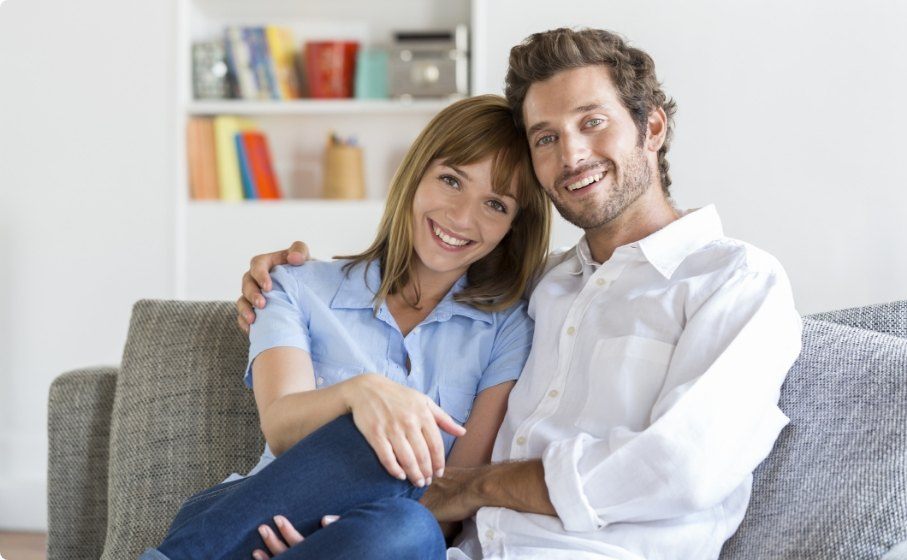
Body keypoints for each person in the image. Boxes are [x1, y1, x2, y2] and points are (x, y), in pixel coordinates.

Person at [238, 28, 803, 560]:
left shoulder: (736, 281)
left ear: (652, 128)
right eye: (547, 138)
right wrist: (277, 278)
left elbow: (679, 467)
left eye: (592, 122)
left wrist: (471, 488)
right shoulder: (543, 287)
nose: (572, 155)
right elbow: (435, 264)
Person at [139, 94, 552, 560]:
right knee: (378, 435)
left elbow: (455, 492)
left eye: (495, 204)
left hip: (373, 542)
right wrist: (362, 393)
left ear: (513, 226)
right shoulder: (293, 286)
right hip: (243, 521)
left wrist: (331, 540)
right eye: (451, 180)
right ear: (416, 174)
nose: (462, 216)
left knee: (411, 529)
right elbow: (281, 426)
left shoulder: (508, 328)